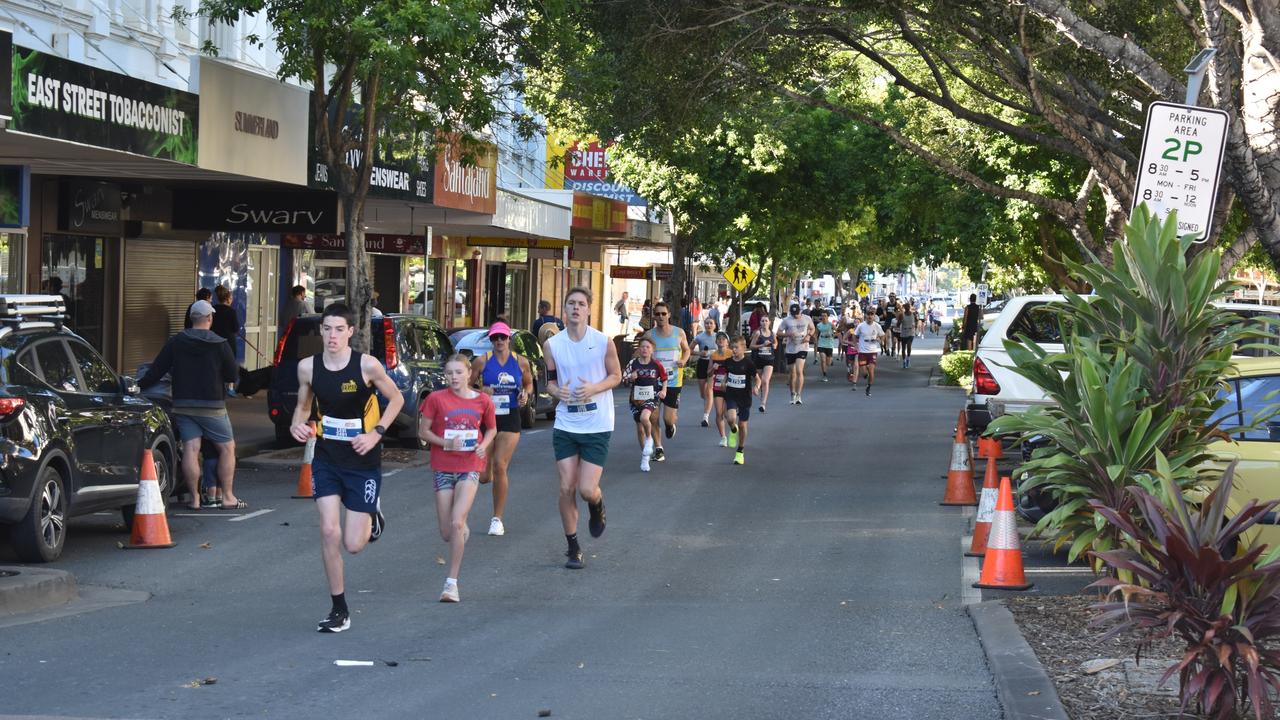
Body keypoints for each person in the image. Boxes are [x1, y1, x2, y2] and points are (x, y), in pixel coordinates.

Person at [289, 303, 403, 633]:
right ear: (320, 331)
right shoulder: (308, 368)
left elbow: (395, 399)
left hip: (363, 461)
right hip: (326, 458)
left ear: (351, 332)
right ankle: (339, 609)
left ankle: (372, 515)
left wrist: (377, 433)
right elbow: (303, 406)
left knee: (353, 544)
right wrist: (299, 425)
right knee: (328, 531)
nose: (333, 335)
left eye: (339, 329)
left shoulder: (367, 366)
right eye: (327, 329)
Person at [543, 287, 621, 570]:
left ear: (589, 309)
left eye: (581, 304)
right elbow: (549, 381)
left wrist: (594, 388)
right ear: (565, 309)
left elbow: (616, 375)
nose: (576, 308)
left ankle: (597, 504)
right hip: (566, 423)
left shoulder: (603, 342)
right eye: (571, 303)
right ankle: (573, 547)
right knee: (566, 486)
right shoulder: (553, 345)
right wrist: (556, 392)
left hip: (597, 423)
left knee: (587, 489)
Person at [139, 300, 242, 512]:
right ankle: (228, 497)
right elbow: (233, 374)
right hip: (212, 405)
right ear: (209, 319)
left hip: (183, 404)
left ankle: (195, 499)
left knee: (191, 449)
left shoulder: (177, 341)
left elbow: (157, 370)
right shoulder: (220, 343)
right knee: (227, 448)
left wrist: (137, 386)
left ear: (192, 319)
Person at [420, 354, 497, 603]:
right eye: (450, 373)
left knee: (455, 523)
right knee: (446, 532)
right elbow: (423, 431)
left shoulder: (483, 400)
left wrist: (483, 445)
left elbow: (492, 428)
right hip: (442, 466)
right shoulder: (435, 399)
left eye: (459, 372)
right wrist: (445, 442)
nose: (454, 377)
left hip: (469, 466)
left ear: (468, 374)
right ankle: (460, 528)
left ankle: (451, 584)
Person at [469, 321, 534, 537]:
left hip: (510, 417)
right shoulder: (482, 361)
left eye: (502, 337)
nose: (499, 341)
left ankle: (497, 519)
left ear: (509, 339)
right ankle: (492, 478)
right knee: (485, 475)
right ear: (491, 340)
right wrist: (481, 391)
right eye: (495, 338)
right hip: (486, 419)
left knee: (499, 465)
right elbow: (467, 385)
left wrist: (526, 394)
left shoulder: (521, 362)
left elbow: (528, 383)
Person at [644, 301, 690, 462]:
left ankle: (671, 426)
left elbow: (687, 350)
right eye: (657, 314)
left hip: (673, 382)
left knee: (667, 419)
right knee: (653, 417)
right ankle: (659, 448)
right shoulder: (649, 335)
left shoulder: (679, 333)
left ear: (669, 315)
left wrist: (683, 360)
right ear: (654, 316)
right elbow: (640, 353)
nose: (661, 316)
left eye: (664, 313)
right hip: (653, 382)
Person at [623, 336, 667, 472]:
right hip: (635, 399)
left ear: (652, 350)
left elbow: (664, 378)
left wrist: (663, 391)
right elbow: (623, 379)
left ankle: (649, 439)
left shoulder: (656, 364)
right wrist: (630, 377)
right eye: (642, 346)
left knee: (644, 418)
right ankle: (645, 457)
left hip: (651, 397)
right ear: (639, 349)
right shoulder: (632, 363)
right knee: (639, 428)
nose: (645, 349)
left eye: (648, 347)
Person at [720, 336, 759, 465]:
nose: (734, 350)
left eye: (736, 347)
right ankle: (732, 429)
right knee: (730, 419)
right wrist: (724, 382)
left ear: (744, 348)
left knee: (743, 425)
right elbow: (727, 374)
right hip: (731, 394)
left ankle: (740, 452)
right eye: (733, 348)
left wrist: (756, 386)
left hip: (745, 396)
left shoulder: (748, 363)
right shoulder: (728, 361)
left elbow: (757, 378)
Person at [778, 303, 816, 405]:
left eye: (797, 313)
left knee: (799, 370)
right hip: (791, 348)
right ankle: (792, 394)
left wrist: (808, 336)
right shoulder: (786, 320)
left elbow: (812, 328)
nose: (796, 316)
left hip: (802, 347)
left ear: (800, 311)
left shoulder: (807, 318)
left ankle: (799, 395)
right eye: (794, 314)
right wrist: (788, 334)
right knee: (792, 373)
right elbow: (778, 332)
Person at [692, 316, 719, 427]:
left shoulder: (719, 337)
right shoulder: (699, 337)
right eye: (707, 323)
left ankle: (705, 416)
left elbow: (726, 349)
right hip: (702, 363)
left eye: (711, 323)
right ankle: (709, 400)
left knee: (709, 390)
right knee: (703, 393)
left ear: (715, 325)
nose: (709, 325)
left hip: (714, 365)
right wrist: (700, 353)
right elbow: (689, 350)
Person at [708, 332, 732, 447]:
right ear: (716, 342)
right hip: (717, 385)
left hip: (730, 386)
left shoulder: (731, 354)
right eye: (719, 339)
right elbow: (708, 374)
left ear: (727, 342)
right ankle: (723, 437)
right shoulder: (713, 355)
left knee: (728, 415)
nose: (721, 341)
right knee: (719, 412)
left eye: (723, 339)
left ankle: (733, 429)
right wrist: (713, 369)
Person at [853, 310, 886, 396]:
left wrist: (881, 341)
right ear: (865, 316)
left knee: (871, 370)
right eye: (868, 314)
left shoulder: (877, 326)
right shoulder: (861, 326)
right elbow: (854, 335)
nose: (870, 316)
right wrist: (855, 345)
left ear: (874, 316)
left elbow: (883, 335)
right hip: (863, 352)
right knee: (864, 372)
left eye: (872, 315)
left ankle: (869, 387)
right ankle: (865, 375)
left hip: (872, 351)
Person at [749, 315, 777, 413]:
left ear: (769, 322)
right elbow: (751, 346)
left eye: (766, 321)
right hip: (758, 359)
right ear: (760, 323)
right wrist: (762, 345)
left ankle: (763, 403)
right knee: (759, 380)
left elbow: (776, 344)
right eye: (762, 321)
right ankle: (757, 388)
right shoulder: (758, 333)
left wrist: (774, 345)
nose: (764, 322)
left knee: (765, 380)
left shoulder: (772, 333)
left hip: (769, 359)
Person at [815, 310, 837, 382]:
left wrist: (832, 335)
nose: (823, 317)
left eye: (825, 316)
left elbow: (837, 332)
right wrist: (815, 340)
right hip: (821, 344)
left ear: (828, 316)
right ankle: (824, 375)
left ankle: (831, 359)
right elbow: (816, 334)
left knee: (828, 363)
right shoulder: (819, 325)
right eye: (822, 316)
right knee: (823, 360)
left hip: (829, 344)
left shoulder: (831, 325)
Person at [899, 302, 917, 369]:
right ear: (904, 308)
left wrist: (916, 325)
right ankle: (904, 361)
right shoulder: (902, 315)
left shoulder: (913, 314)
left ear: (910, 307)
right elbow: (898, 324)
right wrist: (900, 321)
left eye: (908, 307)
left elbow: (916, 320)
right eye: (906, 307)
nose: (907, 308)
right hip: (904, 331)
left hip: (911, 332)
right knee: (903, 347)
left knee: (909, 345)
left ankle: (908, 359)